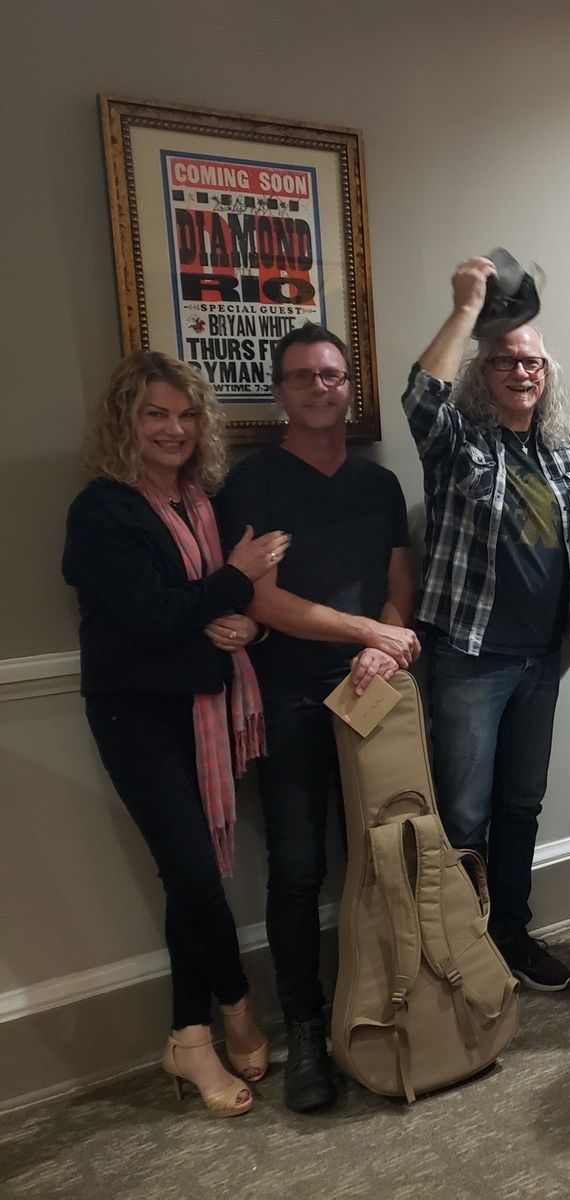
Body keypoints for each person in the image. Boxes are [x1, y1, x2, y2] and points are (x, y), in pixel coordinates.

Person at [63, 351, 287, 1118]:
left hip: (204, 706)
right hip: (136, 715)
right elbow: (155, 617)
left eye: (188, 415)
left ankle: (190, 1036)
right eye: (155, 414)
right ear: (124, 421)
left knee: (187, 879)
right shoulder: (102, 512)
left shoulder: (203, 502)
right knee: (194, 875)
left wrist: (245, 625)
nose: (175, 429)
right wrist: (233, 579)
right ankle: (233, 1005)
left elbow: (224, 613)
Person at [215, 323, 416, 1112]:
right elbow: (261, 600)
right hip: (290, 697)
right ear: (279, 393)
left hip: (374, 692)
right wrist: (370, 632)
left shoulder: (379, 484)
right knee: (298, 868)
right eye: (302, 377)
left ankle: (397, 1004)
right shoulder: (253, 484)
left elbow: (398, 585)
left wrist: (384, 647)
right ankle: (305, 1028)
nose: (320, 388)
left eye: (332, 375)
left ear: (349, 388)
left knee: (383, 855)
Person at [403, 257, 570, 995]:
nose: (521, 371)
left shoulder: (562, 454)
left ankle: (509, 933)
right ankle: (461, 949)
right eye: (505, 360)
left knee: (522, 806)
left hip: (542, 658)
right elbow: (421, 397)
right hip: (471, 658)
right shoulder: (459, 445)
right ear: (481, 373)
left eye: (532, 362)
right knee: (464, 814)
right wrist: (467, 310)